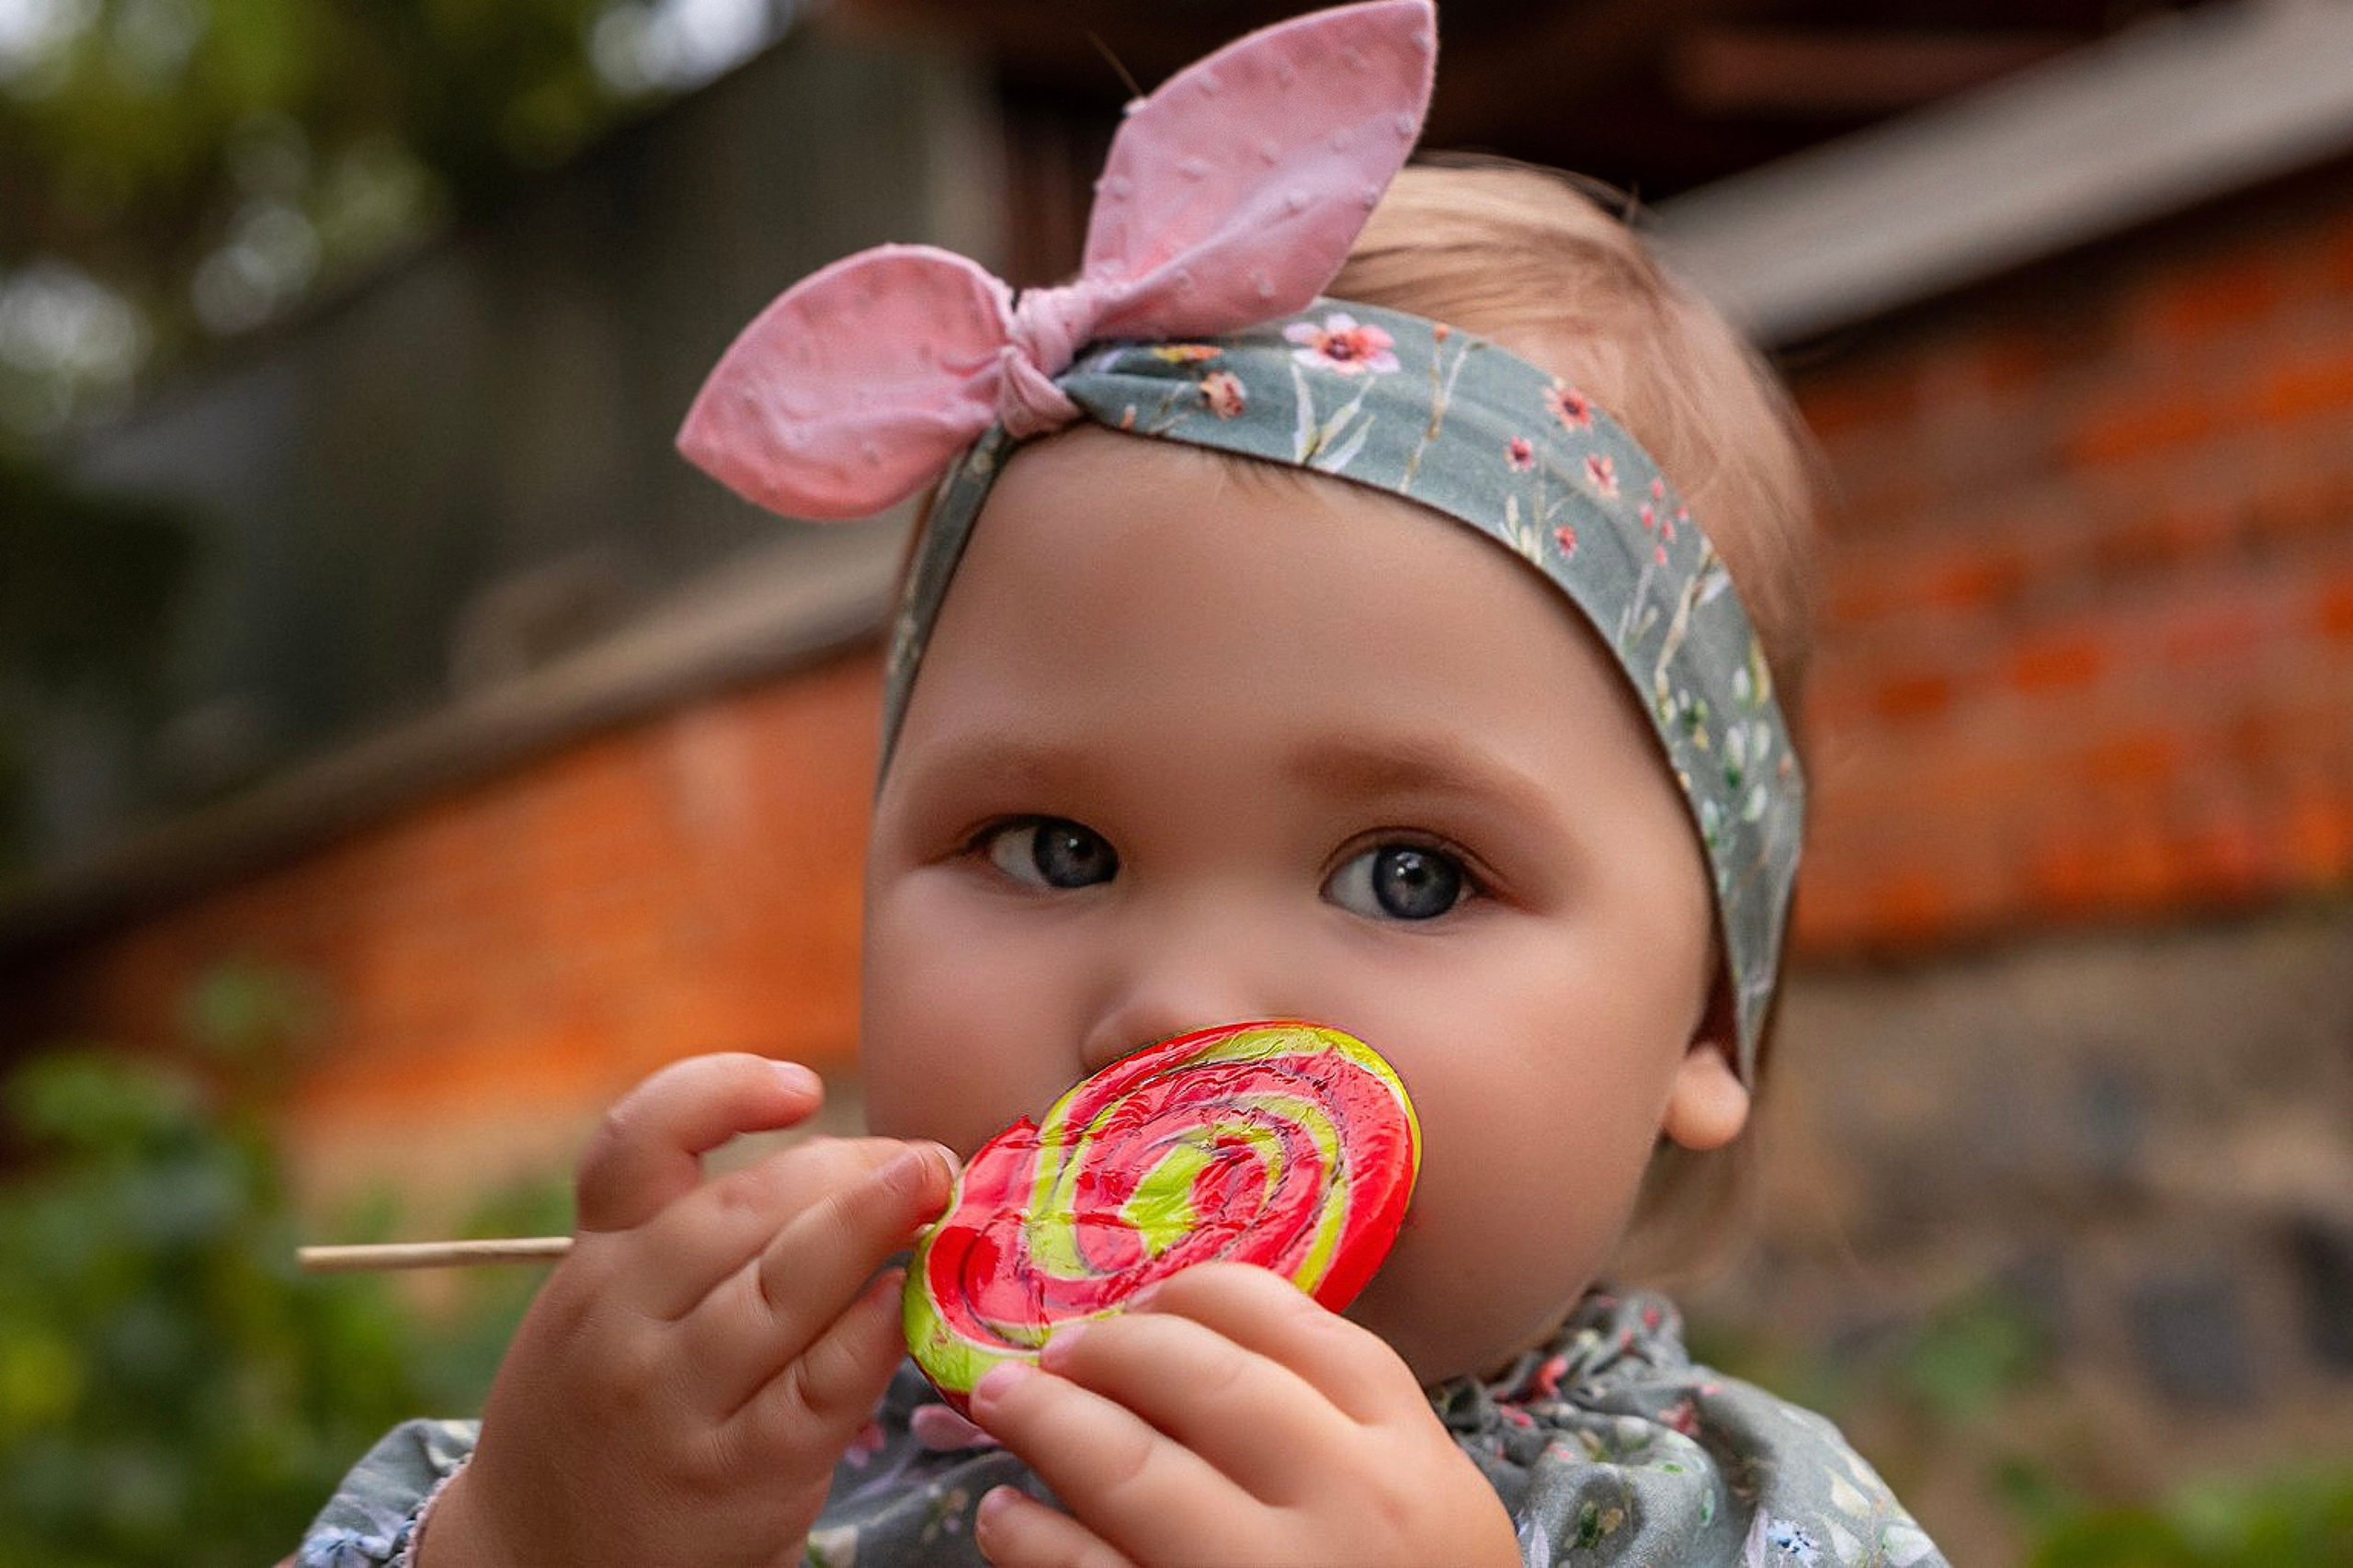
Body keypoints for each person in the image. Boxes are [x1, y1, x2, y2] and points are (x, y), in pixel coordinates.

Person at [297, 4, 1947, 1564]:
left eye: (1411, 874)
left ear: (1709, 1017)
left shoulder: (1725, 1520)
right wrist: (529, 1532)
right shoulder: (716, 1475)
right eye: (1054, 845)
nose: (1176, 1007)